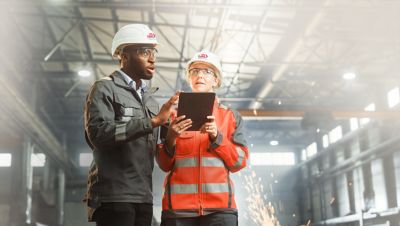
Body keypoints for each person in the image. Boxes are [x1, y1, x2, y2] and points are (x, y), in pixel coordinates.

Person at [83, 24, 179, 226]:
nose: (152, 58)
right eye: (144, 52)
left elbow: (160, 148)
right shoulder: (104, 88)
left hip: (143, 197)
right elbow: (99, 135)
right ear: (124, 55)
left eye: (154, 52)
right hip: (114, 196)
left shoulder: (150, 101)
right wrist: (152, 122)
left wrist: (172, 133)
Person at [156, 50, 249, 226]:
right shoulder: (171, 117)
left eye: (207, 71)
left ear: (216, 80)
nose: (200, 75)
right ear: (189, 78)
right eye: (195, 71)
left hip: (220, 210)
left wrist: (217, 138)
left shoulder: (230, 117)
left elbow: (239, 162)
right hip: (178, 211)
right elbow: (164, 164)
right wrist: (170, 139)